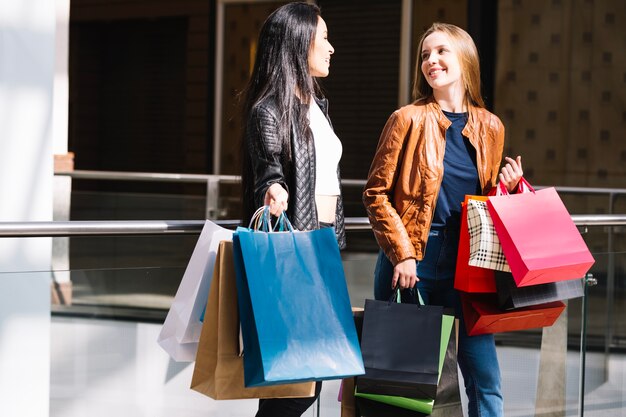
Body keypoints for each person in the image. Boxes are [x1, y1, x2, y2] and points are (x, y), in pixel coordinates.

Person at [363, 23, 523, 417]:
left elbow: (484, 205)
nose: (431, 61)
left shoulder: (490, 126)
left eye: (441, 52)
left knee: (486, 383)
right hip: (411, 261)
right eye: (424, 55)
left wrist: (511, 187)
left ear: (464, 59)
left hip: (467, 265)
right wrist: (402, 253)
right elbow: (375, 193)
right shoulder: (407, 119)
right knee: (399, 385)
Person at [240, 3, 344, 416]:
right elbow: (268, 170)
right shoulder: (268, 110)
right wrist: (273, 189)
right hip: (294, 258)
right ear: (298, 45)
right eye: (324, 39)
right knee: (295, 387)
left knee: (308, 380)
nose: (331, 48)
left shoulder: (317, 106)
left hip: (324, 252)